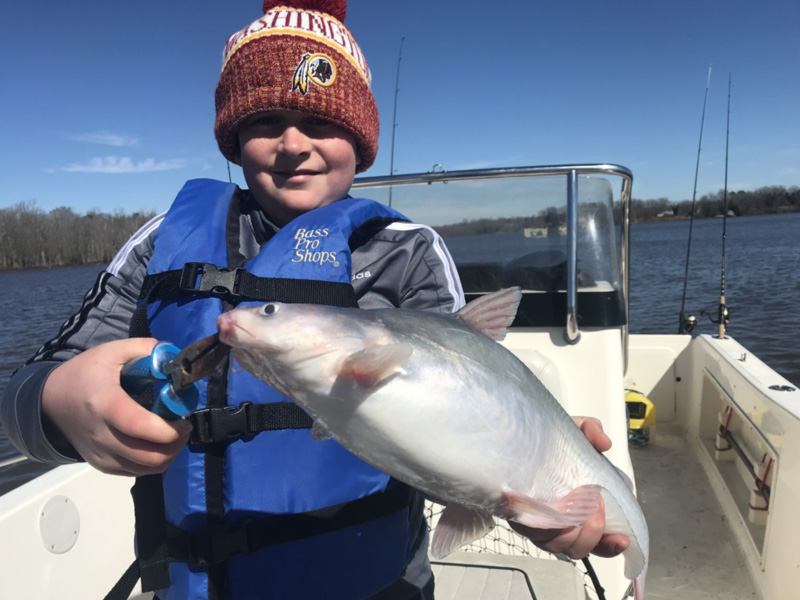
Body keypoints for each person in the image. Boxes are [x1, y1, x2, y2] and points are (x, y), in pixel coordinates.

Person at [0, 1, 628, 598]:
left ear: (360, 138)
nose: (294, 144)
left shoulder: (408, 252)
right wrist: (61, 402)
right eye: (266, 121)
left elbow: (465, 408)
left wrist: (531, 475)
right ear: (234, 137)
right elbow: (22, 398)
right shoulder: (160, 242)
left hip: (382, 586)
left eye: (322, 122)